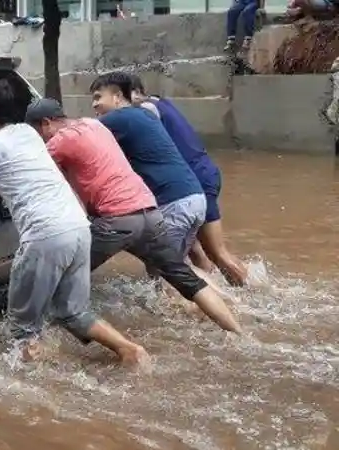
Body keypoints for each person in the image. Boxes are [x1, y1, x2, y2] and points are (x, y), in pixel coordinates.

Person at [0, 80, 149, 366]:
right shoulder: (27, 133)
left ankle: (32, 386)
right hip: (78, 228)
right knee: (72, 312)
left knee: (22, 326)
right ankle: (130, 350)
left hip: (44, 236)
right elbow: (4, 163)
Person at [24, 98, 242, 334]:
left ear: (47, 123)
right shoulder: (94, 125)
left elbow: (28, 169)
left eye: (38, 133)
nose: (42, 139)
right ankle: (238, 332)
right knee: (186, 279)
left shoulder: (60, 141)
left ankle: (42, 340)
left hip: (116, 221)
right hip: (150, 212)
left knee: (60, 277)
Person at [129, 75, 249, 287]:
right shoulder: (160, 102)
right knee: (195, 250)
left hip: (191, 181)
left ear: (135, 93)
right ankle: (216, 294)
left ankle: (249, 298)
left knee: (216, 252)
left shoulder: (145, 109)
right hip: (201, 174)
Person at [89, 72, 208, 282]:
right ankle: (232, 298)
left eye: (98, 97)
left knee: (170, 275)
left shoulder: (118, 118)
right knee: (173, 266)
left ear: (117, 97)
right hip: (192, 197)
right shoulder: (142, 115)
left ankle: (227, 306)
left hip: (173, 203)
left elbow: (78, 133)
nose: (94, 105)